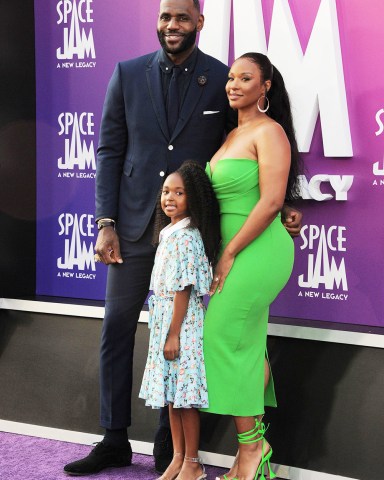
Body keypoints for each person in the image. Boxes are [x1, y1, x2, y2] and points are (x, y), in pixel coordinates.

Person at [64, 0, 302, 476]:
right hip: (132, 228)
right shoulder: (127, 74)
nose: (172, 25)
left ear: (199, 23)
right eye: (165, 17)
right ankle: (113, 438)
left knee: (181, 338)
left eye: (181, 17)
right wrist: (104, 221)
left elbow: (257, 157)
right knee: (117, 328)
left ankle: (169, 447)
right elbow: (110, 149)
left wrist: (285, 205)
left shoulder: (220, 78)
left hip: (195, 239)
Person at [201, 52, 302, 480]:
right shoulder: (228, 137)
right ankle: (254, 452)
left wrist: (229, 252)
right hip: (235, 248)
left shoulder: (270, 131)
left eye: (246, 78)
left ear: (265, 88)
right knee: (245, 345)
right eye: (230, 78)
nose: (234, 84)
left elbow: (272, 202)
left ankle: (252, 448)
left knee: (221, 337)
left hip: (258, 249)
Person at [139, 161, 220, 480]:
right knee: (173, 396)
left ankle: (193, 462)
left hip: (181, 324)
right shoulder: (169, 232)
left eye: (179, 192)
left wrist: (172, 335)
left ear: (193, 198)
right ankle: (176, 458)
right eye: (166, 191)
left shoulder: (187, 236)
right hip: (166, 320)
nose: (169, 197)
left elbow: (184, 289)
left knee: (185, 398)